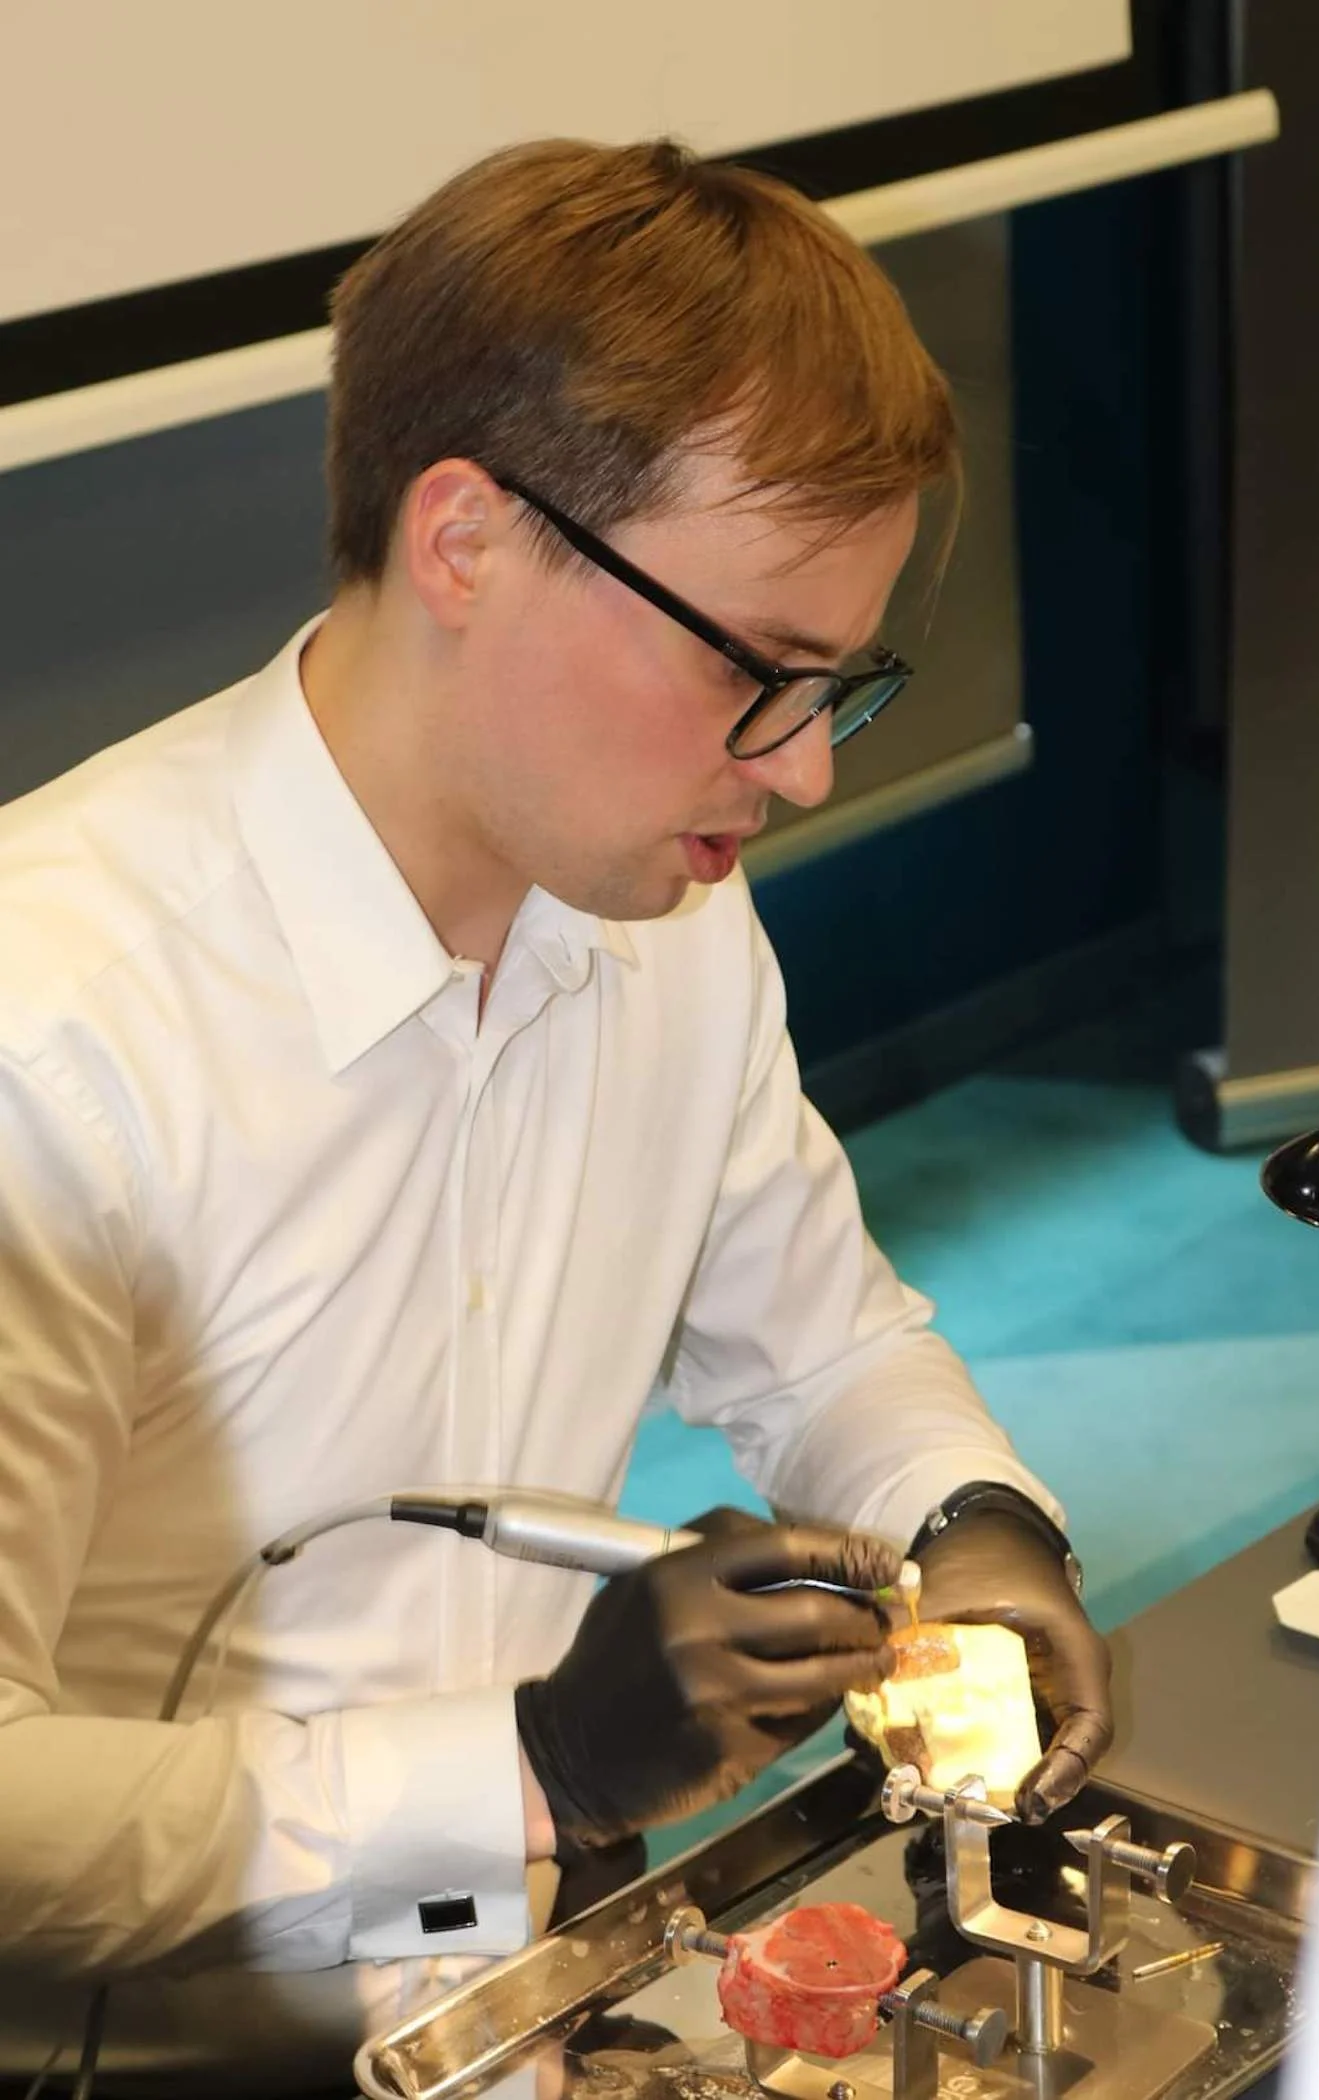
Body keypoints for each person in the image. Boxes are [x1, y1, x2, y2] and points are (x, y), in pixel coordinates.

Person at [0, 137, 1110, 2093]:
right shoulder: (56, 1036)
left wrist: (978, 1529)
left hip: (531, 1983)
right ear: (465, 542)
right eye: (755, 668)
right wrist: (528, 1763)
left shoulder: (662, 913)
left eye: (834, 683)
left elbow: (822, 1345)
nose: (800, 773)